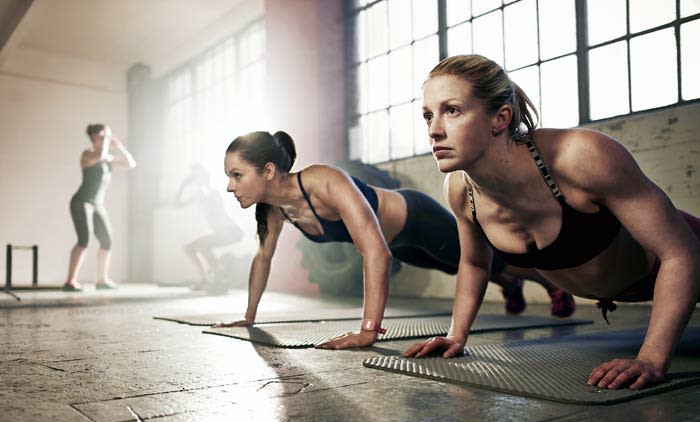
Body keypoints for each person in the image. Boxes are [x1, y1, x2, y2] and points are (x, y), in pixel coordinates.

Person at [404, 54, 700, 390]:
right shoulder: (460, 190)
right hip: (632, 287)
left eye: (452, 110)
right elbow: (473, 263)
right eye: (428, 115)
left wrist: (651, 358)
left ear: (500, 118)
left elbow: (682, 253)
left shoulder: (581, 156)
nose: (434, 130)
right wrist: (456, 335)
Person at [217, 130, 575, 348]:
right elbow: (262, 259)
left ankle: (552, 285)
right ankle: (509, 285)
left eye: (237, 175)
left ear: (267, 170)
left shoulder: (324, 181)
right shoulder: (273, 210)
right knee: (450, 266)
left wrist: (368, 330)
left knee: (485, 259)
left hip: (416, 218)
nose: (231, 186)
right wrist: (249, 317)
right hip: (400, 241)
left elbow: (375, 252)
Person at [63, 124, 136, 291]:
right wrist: (107, 138)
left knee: (107, 240)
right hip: (82, 201)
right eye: (102, 136)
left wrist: (118, 146)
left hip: (97, 205)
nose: (106, 139)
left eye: (106, 136)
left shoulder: (107, 159)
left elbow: (131, 163)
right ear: (94, 137)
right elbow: (100, 154)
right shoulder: (88, 154)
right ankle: (70, 281)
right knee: (84, 240)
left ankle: (101, 280)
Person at [175, 163, 243, 288]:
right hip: (221, 232)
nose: (195, 178)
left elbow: (212, 202)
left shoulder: (212, 192)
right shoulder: (198, 195)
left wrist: (202, 183)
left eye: (197, 175)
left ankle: (219, 278)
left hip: (231, 231)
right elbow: (177, 204)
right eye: (193, 176)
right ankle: (206, 279)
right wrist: (183, 185)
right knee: (189, 248)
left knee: (201, 245)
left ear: (204, 176)